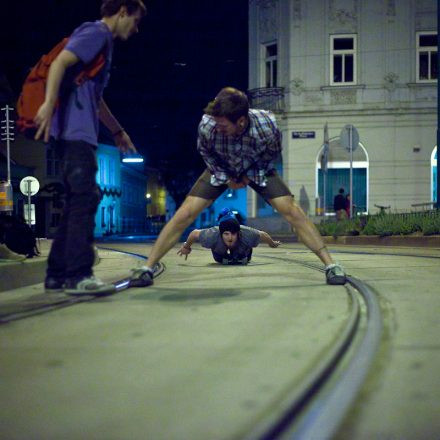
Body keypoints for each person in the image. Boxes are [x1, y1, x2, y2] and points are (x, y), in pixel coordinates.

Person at [130, 87, 346, 287]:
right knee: (185, 212)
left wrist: (248, 175)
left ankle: (330, 265)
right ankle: (147, 268)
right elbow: (205, 152)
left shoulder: (266, 124)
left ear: (241, 121)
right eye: (216, 123)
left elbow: (272, 152)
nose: (218, 128)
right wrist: (227, 177)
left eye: (223, 125)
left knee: (292, 211)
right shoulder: (207, 124)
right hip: (221, 168)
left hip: (256, 168)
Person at [33, 0, 147, 295]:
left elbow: (95, 99)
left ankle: (57, 275)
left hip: (77, 133)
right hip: (74, 134)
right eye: (134, 21)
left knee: (77, 200)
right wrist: (47, 104)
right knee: (86, 197)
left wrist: (117, 131)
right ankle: (79, 275)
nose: (135, 30)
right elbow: (60, 62)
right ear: (122, 11)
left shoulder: (101, 44)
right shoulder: (97, 33)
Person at [177, 209, 281, 264]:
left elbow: (263, 234)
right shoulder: (213, 234)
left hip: (242, 247)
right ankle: (222, 256)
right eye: (226, 234)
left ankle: (243, 254)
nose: (230, 238)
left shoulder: (246, 233)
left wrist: (272, 244)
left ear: (238, 233)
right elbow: (194, 233)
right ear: (221, 233)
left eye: (233, 234)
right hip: (219, 249)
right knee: (219, 251)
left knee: (241, 252)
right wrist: (186, 246)